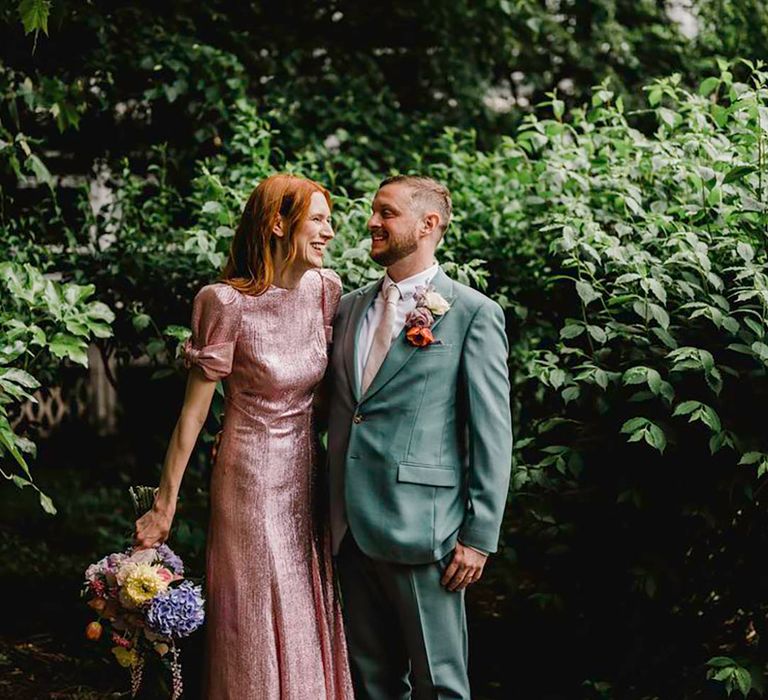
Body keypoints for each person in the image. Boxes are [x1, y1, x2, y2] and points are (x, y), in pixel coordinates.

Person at [134, 174, 354, 699]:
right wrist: (164, 508)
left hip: (307, 476)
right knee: (259, 609)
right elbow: (191, 419)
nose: (329, 231)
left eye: (329, 220)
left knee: (306, 601)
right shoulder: (225, 303)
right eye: (317, 219)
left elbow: (327, 399)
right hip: (249, 476)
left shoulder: (327, 291)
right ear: (278, 223)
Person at [327, 175, 512, 699]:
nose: (371, 222)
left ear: (428, 224)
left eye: (386, 213)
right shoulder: (347, 308)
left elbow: (491, 434)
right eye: (373, 212)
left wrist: (478, 537)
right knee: (372, 684)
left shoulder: (473, 314)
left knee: (440, 685)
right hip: (347, 528)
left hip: (425, 533)